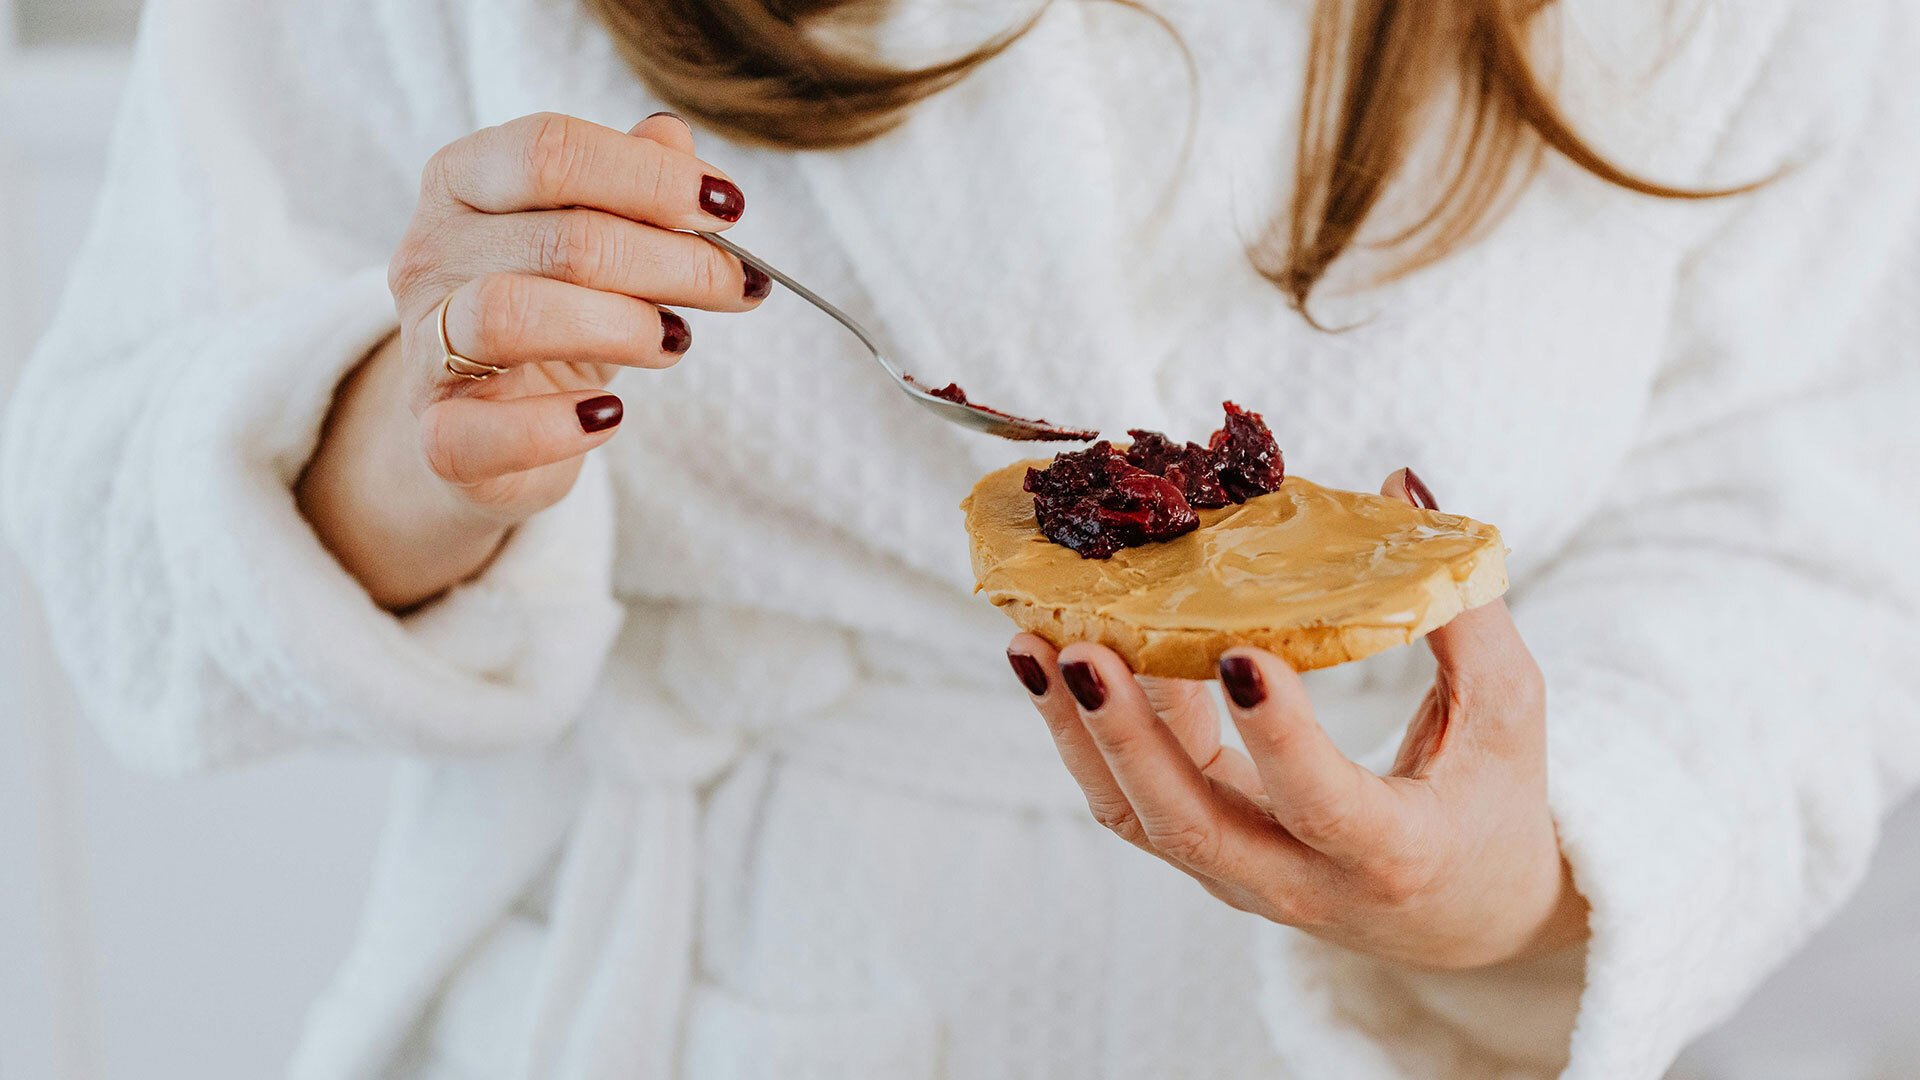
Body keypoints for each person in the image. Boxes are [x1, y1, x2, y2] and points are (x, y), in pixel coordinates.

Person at [4, 0, 1917, 1076]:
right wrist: (420, 445)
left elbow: (1809, 552)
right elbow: (114, 543)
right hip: (669, 1005)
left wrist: (1511, 882)